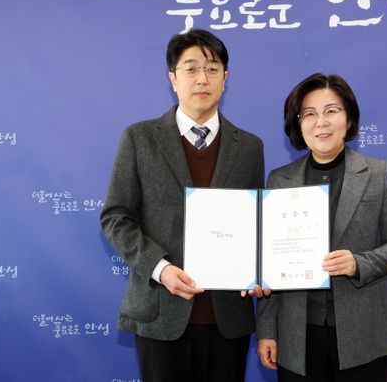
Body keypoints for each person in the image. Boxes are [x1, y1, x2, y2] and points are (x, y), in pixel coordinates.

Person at [100, 29, 266, 382]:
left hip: (228, 319)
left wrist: (260, 270)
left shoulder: (250, 147)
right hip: (159, 314)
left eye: (212, 68)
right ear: (173, 79)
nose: (202, 78)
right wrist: (160, 269)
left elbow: (257, 223)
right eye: (190, 69)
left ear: (225, 78)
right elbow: (116, 217)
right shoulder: (139, 138)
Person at [256, 73, 387, 381]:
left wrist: (359, 263)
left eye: (331, 111)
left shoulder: (379, 173)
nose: (321, 122)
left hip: (363, 331)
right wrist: (266, 330)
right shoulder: (279, 180)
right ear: (298, 125)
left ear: (349, 119)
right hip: (296, 333)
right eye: (309, 114)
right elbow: (270, 263)